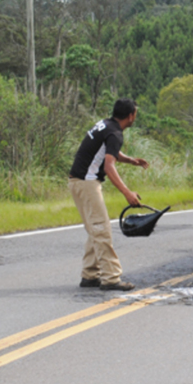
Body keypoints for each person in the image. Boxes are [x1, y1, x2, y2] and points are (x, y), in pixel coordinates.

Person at [69, 98, 150, 291]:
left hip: (77, 181)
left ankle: (90, 274)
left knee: (94, 229)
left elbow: (109, 152)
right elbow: (109, 165)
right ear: (131, 116)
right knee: (102, 229)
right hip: (87, 183)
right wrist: (127, 192)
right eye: (135, 114)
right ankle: (111, 278)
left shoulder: (105, 125)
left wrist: (131, 160)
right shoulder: (115, 133)